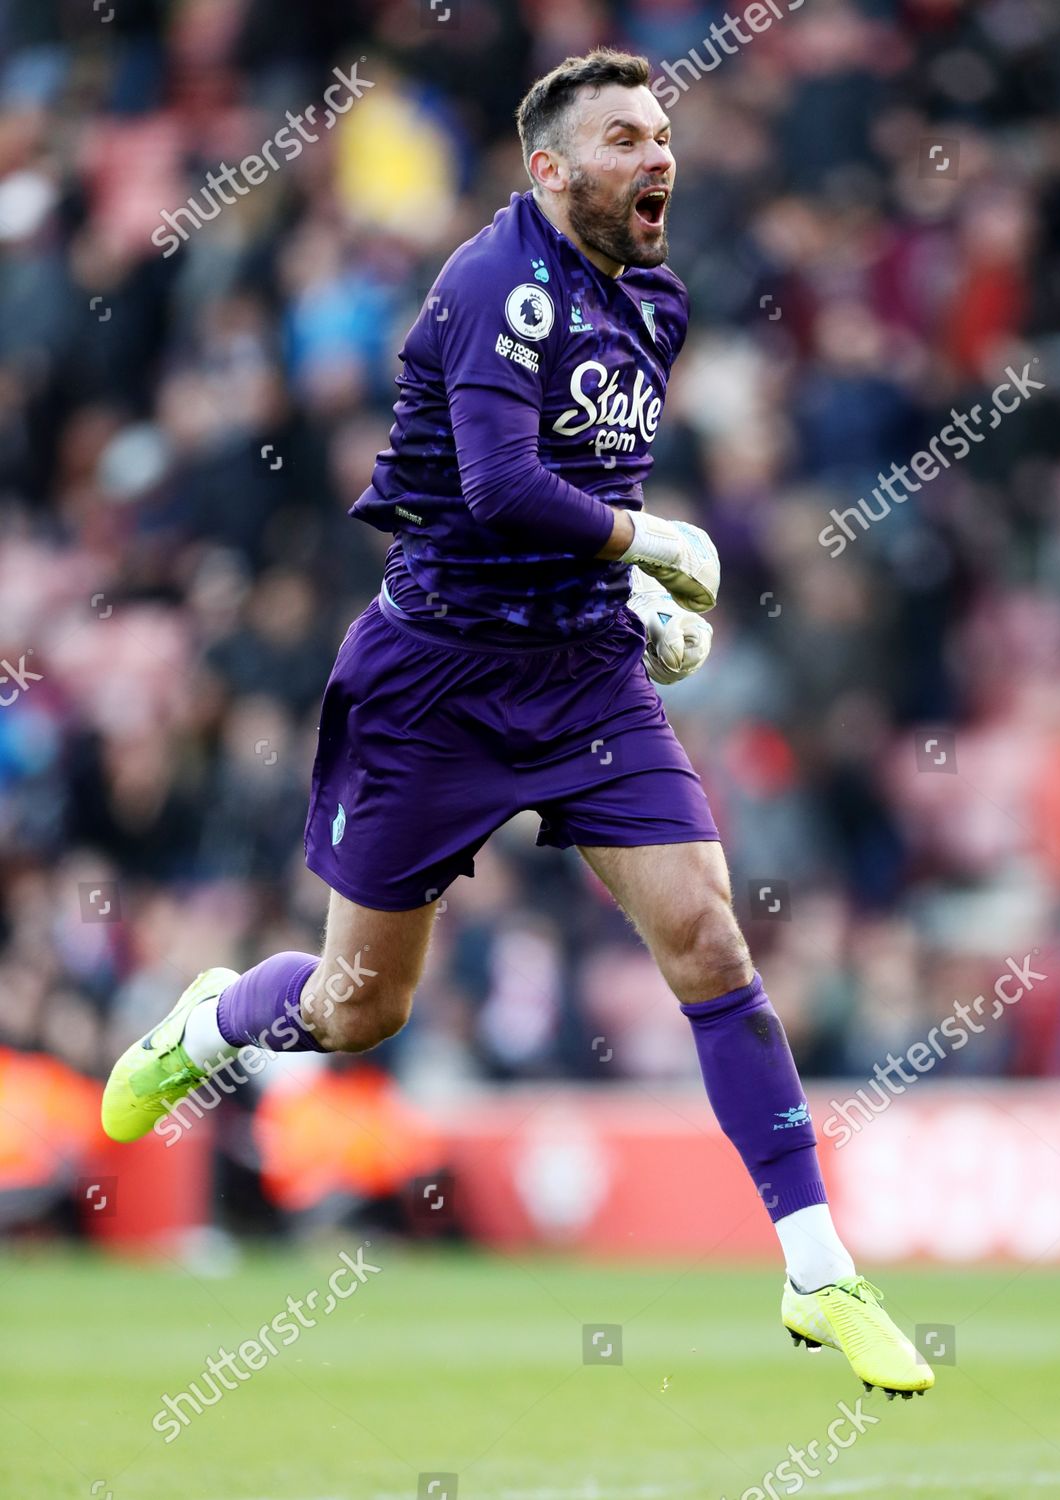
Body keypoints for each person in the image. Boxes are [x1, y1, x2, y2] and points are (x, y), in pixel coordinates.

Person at [102, 47, 932, 1399]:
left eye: (661, 133)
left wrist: (633, 599)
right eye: (621, 137)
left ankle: (816, 1268)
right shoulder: (494, 283)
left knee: (710, 938)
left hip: (581, 678)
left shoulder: (653, 299)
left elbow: (584, 479)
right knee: (357, 1008)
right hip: (433, 683)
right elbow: (494, 486)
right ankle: (216, 1023)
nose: (655, 156)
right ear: (549, 169)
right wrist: (646, 539)